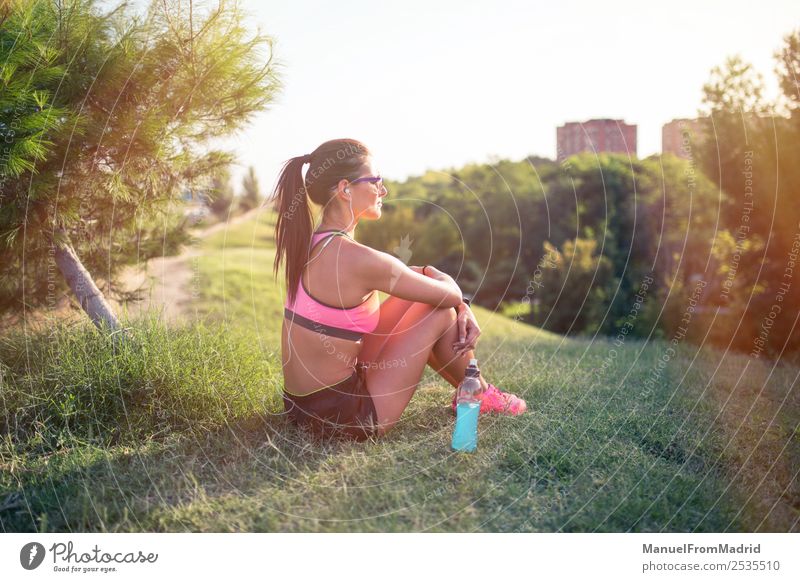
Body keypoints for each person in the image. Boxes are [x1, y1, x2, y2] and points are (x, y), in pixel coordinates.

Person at [272, 138, 526, 442]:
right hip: (343, 420)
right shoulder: (360, 260)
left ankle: (476, 391)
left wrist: (462, 305)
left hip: (299, 410)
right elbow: (449, 296)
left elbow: (418, 278)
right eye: (376, 181)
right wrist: (461, 305)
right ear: (345, 189)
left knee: (427, 290)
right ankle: (479, 393)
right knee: (439, 309)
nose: (384, 190)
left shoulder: (312, 244)